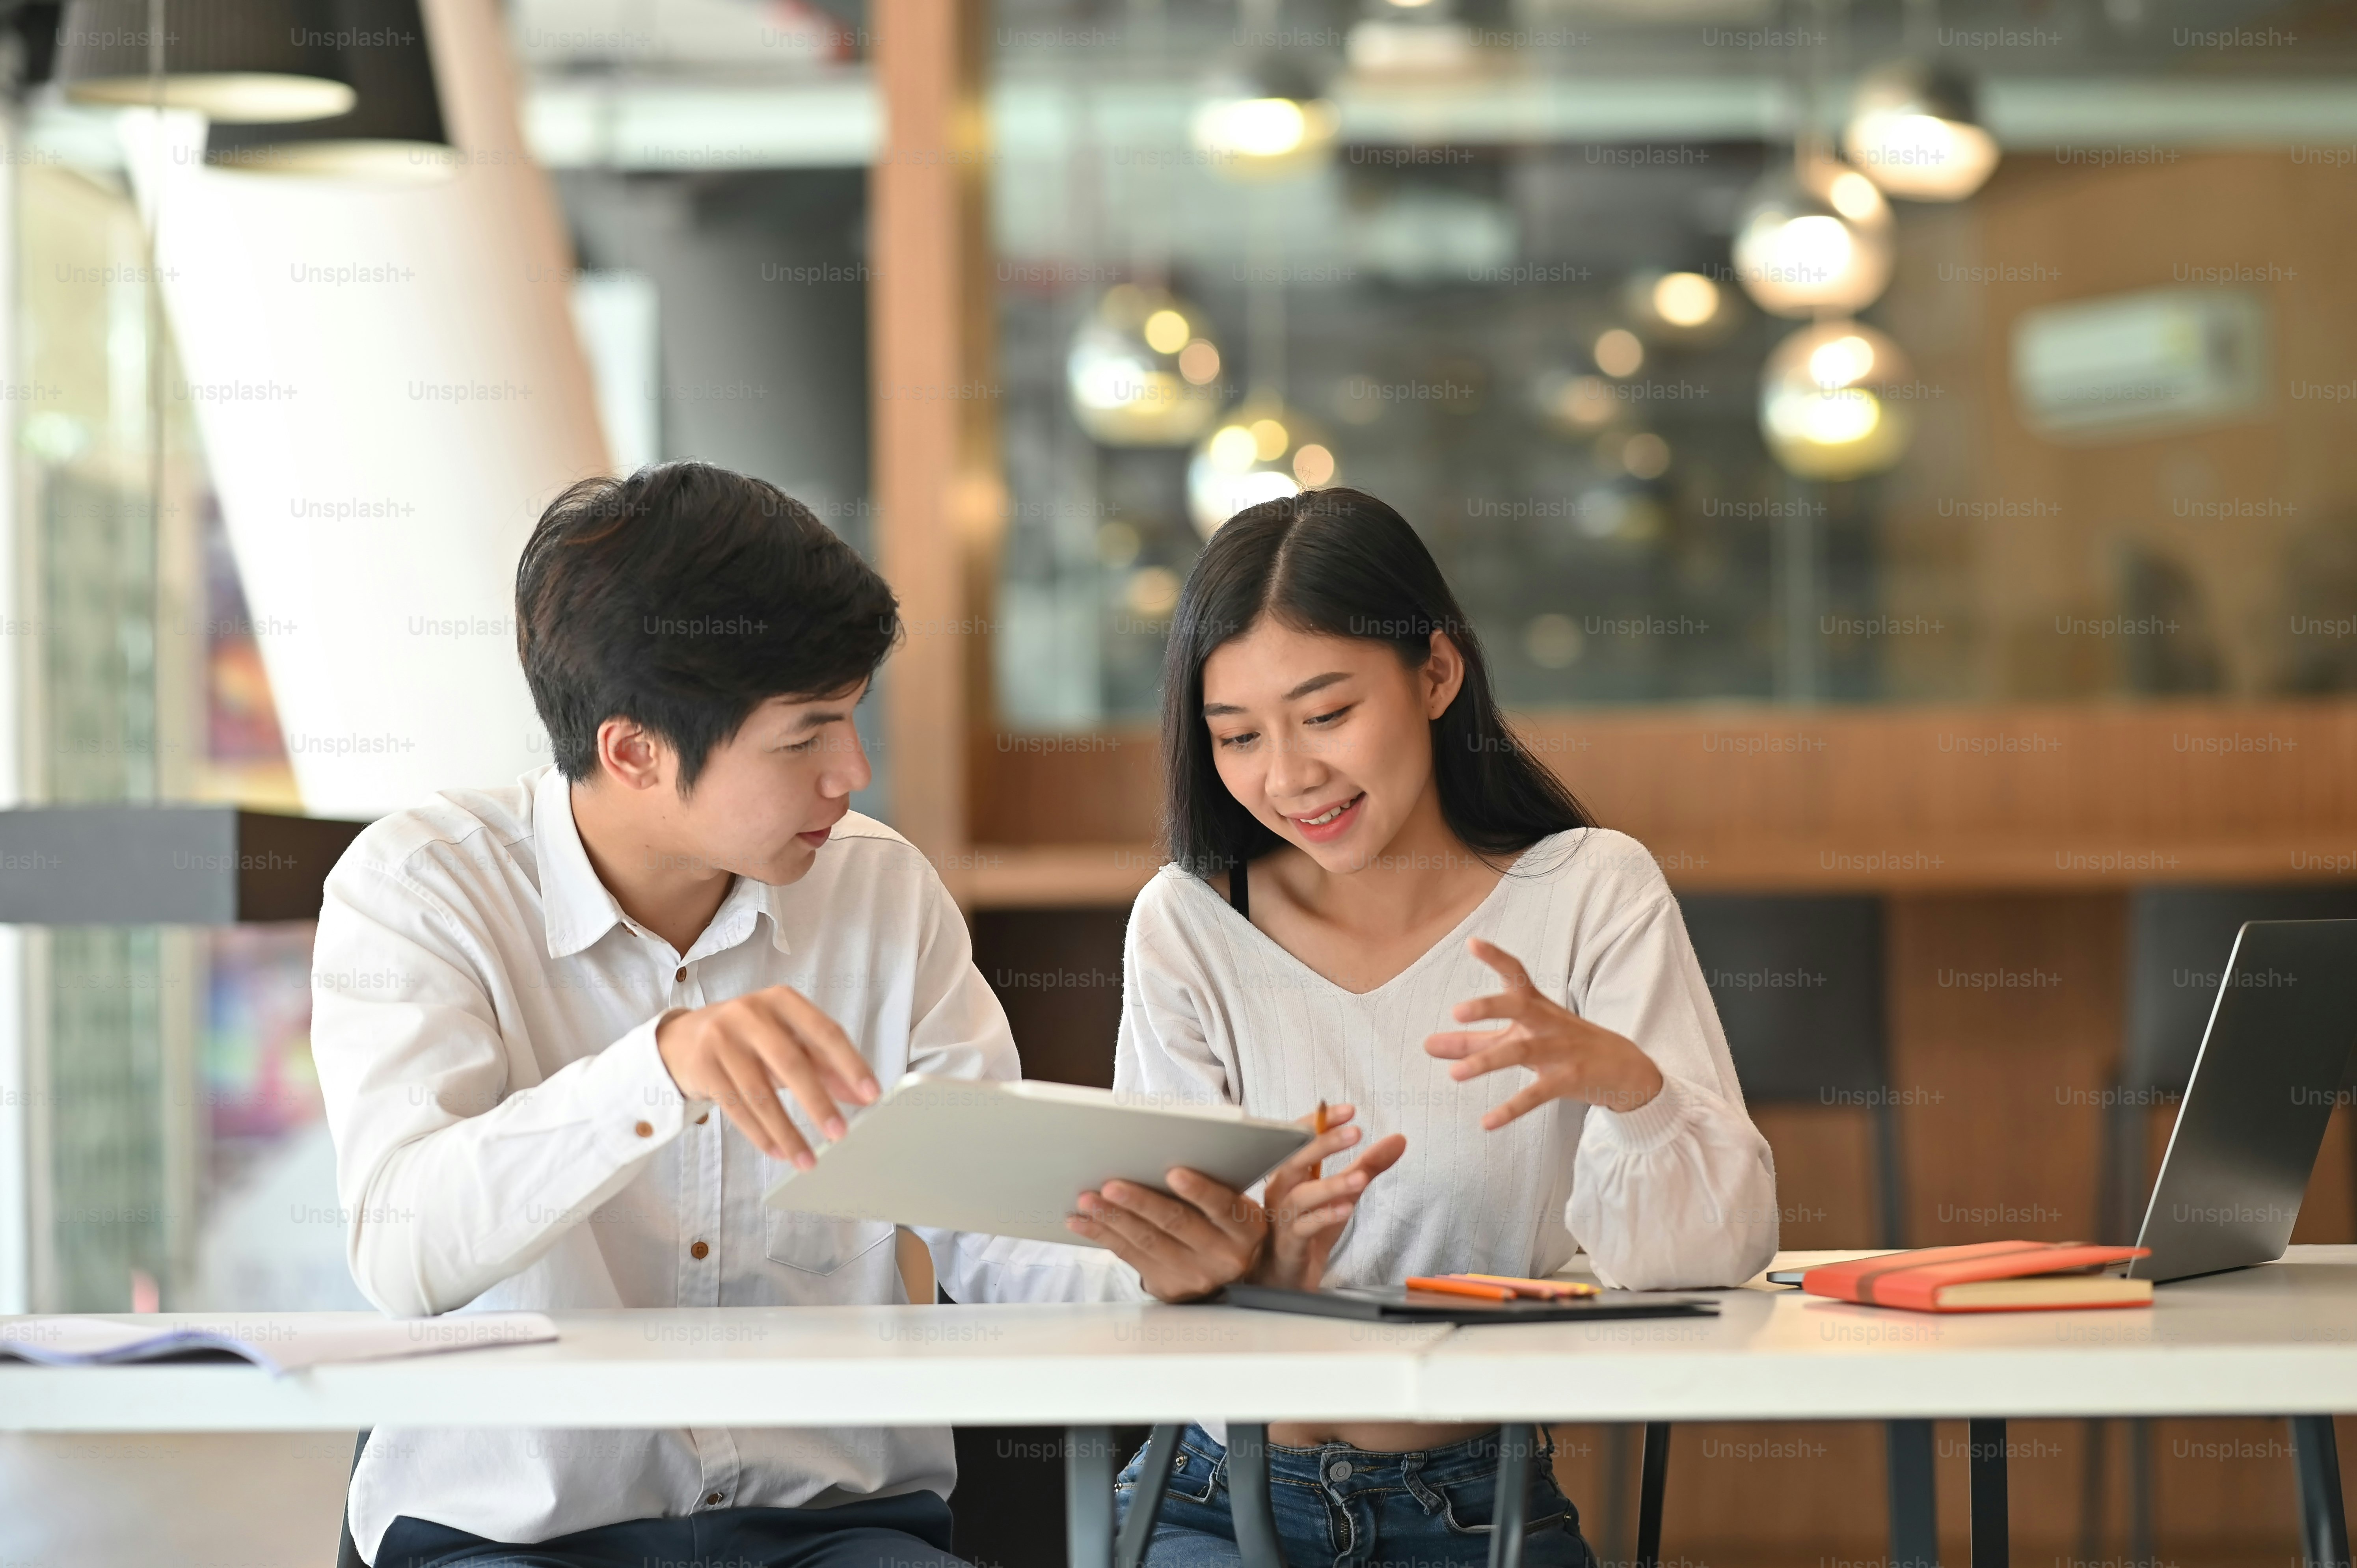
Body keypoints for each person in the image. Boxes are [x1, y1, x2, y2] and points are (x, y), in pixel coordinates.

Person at [310, 462, 1394, 1568]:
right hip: (511, 1536)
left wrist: (1155, 1261)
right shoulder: (420, 888)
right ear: (633, 750)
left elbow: (998, 1236)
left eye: (851, 721)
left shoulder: (881, 891)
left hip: (833, 1533)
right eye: (804, 737)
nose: (853, 772)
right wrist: (658, 1070)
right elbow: (404, 1247)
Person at [1112, 487, 1780, 1566]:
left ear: (1435, 673)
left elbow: (1708, 1261)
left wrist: (1629, 1087)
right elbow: (1157, 1279)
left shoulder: (1587, 889)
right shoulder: (1189, 921)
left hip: (1476, 1501)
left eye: (1326, 715)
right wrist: (1253, 1262)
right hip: (1213, 1494)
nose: (1287, 776)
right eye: (1236, 735)